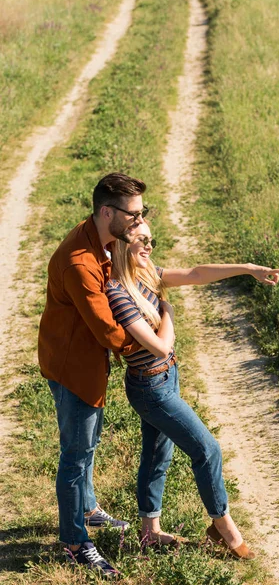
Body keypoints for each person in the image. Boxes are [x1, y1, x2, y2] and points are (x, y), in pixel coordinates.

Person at [105, 221, 279, 560]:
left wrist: (248, 270)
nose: (149, 246)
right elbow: (160, 346)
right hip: (151, 388)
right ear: (121, 244)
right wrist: (167, 310)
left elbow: (195, 272)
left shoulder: (144, 274)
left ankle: (150, 532)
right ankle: (224, 528)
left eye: (151, 240)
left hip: (164, 379)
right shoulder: (117, 291)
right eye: (142, 240)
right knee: (208, 450)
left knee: (158, 453)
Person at [38, 173, 150, 577]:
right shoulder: (80, 263)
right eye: (134, 216)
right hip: (74, 369)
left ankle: (88, 509)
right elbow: (108, 331)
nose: (139, 223)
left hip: (84, 361)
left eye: (142, 213)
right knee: (76, 454)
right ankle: (74, 540)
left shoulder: (97, 238)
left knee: (88, 442)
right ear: (108, 212)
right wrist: (155, 352)